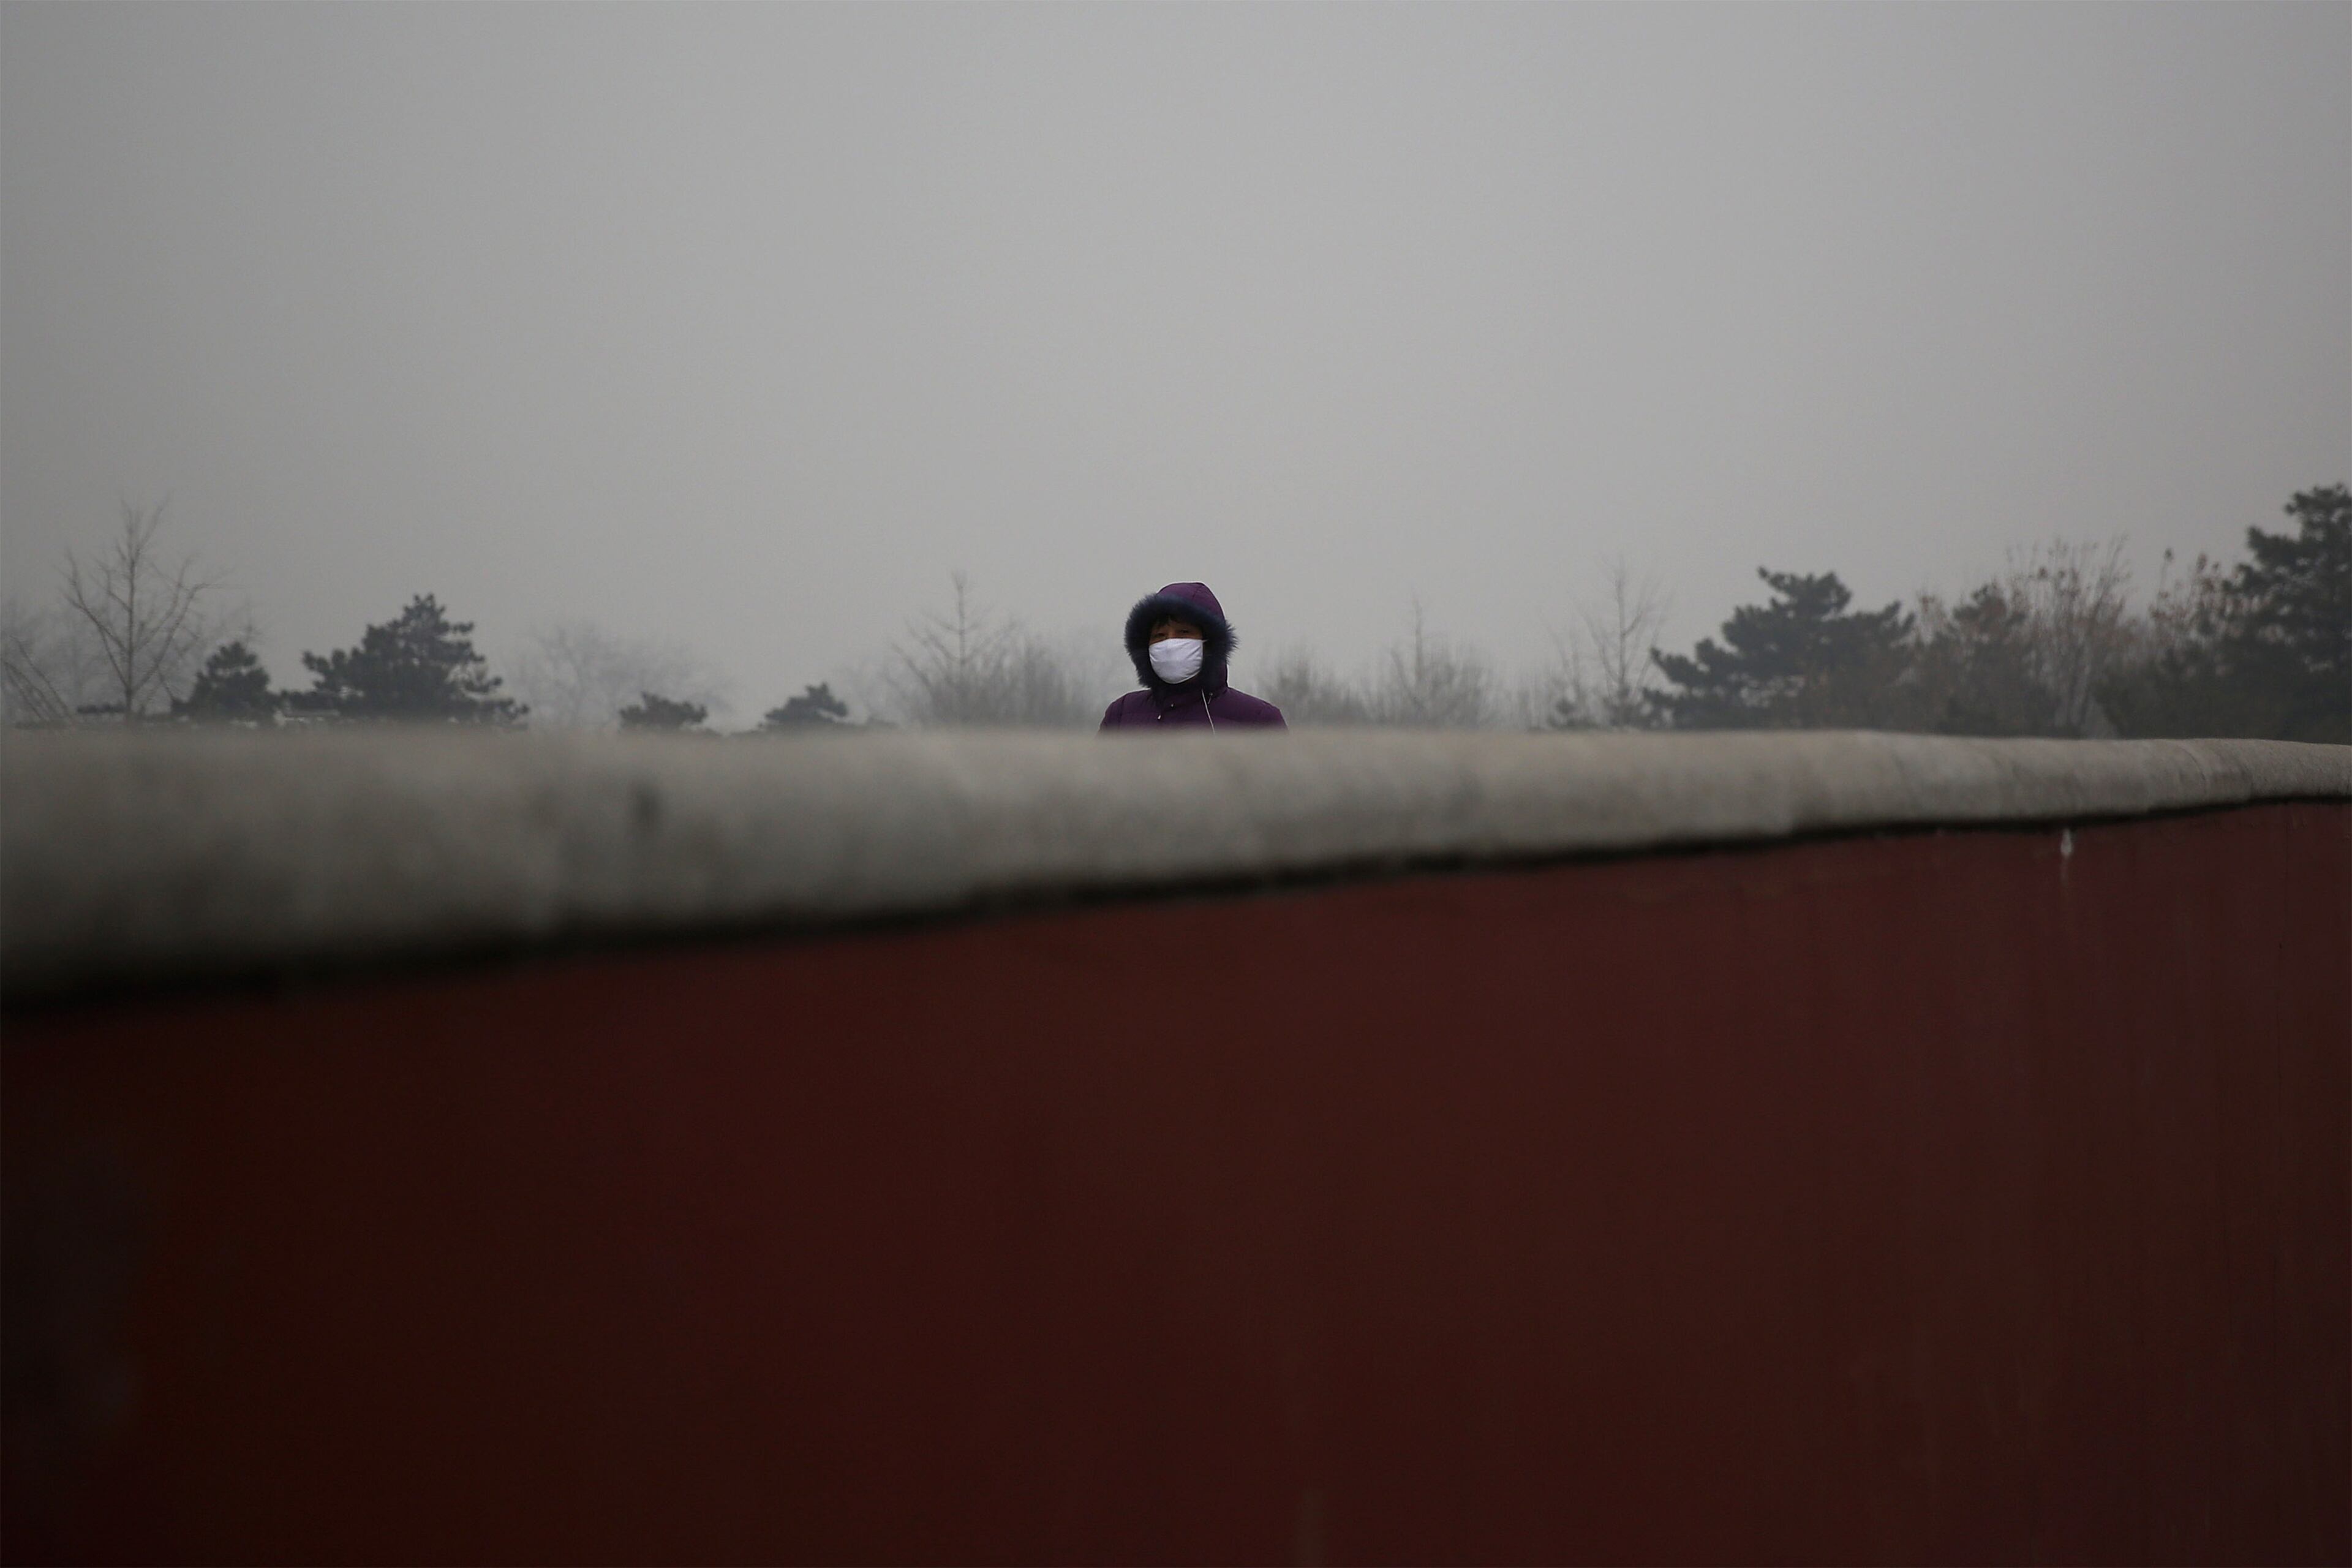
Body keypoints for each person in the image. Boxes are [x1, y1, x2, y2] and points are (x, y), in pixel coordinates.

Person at [1098, 581, 1286, 732]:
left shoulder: (1257, 720)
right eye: (1159, 636)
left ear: (1210, 642)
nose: (1170, 645)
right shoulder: (1122, 714)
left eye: (1183, 633)